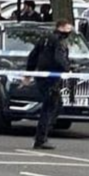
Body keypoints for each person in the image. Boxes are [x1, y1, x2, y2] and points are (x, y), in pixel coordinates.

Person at [25, 20, 73, 150]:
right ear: (61, 28)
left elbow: (33, 56)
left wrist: (28, 73)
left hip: (42, 76)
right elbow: (59, 58)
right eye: (68, 28)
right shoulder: (59, 41)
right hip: (51, 78)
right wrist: (68, 69)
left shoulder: (45, 38)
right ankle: (41, 138)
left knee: (53, 105)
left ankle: (41, 136)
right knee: (51, 106)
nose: (70, 31)